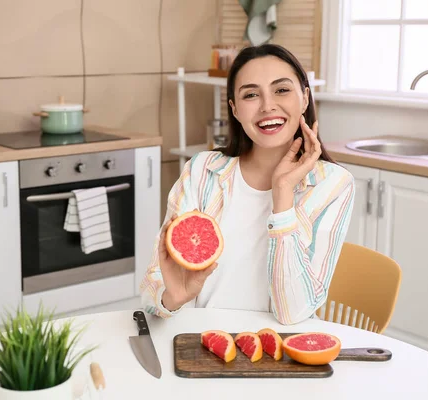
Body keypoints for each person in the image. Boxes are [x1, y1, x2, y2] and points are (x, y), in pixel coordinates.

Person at [139, 43, 355, 325]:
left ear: (304, 98)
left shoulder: (334, 185)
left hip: (278, 354)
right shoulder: (202, 171)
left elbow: (293, 313)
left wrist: (282, 194)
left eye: (281, 90)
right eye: (251, 95)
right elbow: (152, 286)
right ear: (235, 110)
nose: (267, 106)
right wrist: (172, 298)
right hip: (196, 346)